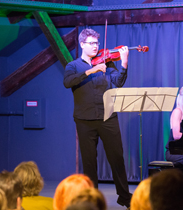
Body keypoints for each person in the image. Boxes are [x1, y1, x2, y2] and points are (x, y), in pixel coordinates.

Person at [63, 28, 132, 208]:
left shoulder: (108, 63)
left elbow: (118, 82)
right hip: (84, 120)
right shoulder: (73, 66)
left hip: (108, 117)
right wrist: (91, 71)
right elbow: (67, 82)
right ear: (82, 44)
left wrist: (124, 63)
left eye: (97, 43)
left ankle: (124, 197)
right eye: (92, 43)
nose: (96, 46)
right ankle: (92, 200)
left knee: (117, 158)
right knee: (89, 162)